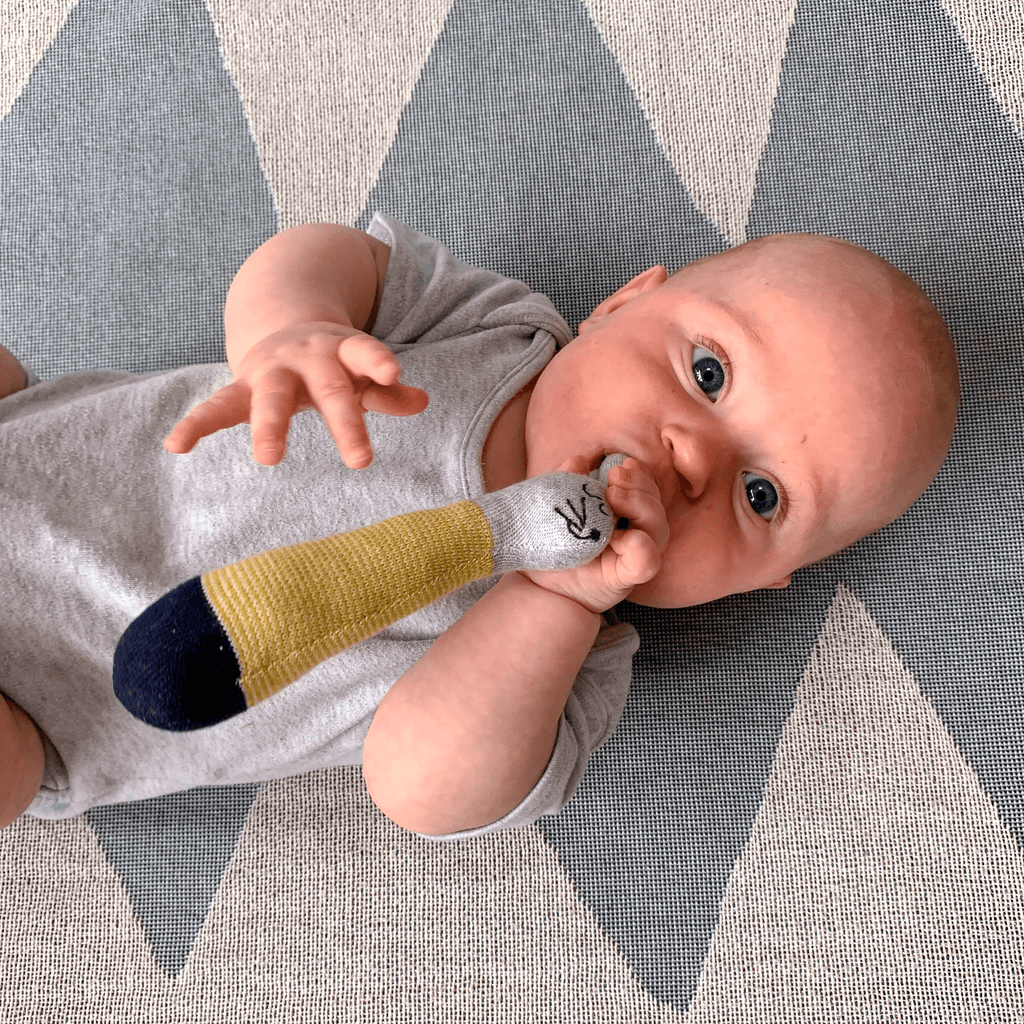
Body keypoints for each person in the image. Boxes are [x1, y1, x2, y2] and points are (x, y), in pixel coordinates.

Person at [0, 213, 958, 840]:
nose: (697, 459)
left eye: (764, 497)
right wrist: (288, 328)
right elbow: (333, 251)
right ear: (622, 304)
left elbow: (420, 788)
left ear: (758, 583)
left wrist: (554, 599)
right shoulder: (495, 330)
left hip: (44, 708)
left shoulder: (571, 667)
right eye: (708, 373)